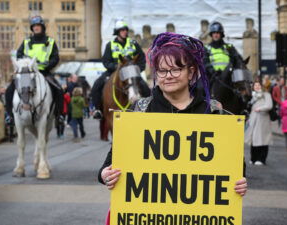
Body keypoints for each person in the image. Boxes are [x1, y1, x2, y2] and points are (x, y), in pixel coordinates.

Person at [98, 33, 247, 197]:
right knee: (98, 87)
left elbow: (236, 166)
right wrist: (105, 174)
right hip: (150, 212)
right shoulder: (139, 110)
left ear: (191, 73)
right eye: (161, 70)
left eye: (176, 69)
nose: (168, 76)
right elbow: (111, 161)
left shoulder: (214, 113)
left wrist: (239, 182)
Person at [5, 15, 63, 123]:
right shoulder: (26, 42)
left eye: (38, 26)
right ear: (32, 28)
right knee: (9, 90)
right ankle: (9, 116)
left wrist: (47, 65)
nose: (36, 28)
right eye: (34, 26)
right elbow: (19, 55)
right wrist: (24, 63)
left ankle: (59, 115)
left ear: (42, 27)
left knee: (59, 89)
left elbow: (55, 58)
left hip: (44, 72)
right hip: (27, 73)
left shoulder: (50, 42)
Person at [91, 20, 148, 119]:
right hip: (113, 72)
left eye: (126, 30)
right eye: (122, 30)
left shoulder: (133, 43)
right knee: (97, 85)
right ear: (117, 32)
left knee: (145, 87)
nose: (125, 32)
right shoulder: (110, 45)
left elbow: (142, 59)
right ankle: (97, 110)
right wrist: (115, 68)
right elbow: (106, 61)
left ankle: (148, 109)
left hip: (132, 73)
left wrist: (138, 69)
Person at [204, 21, 243, 85]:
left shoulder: (229, 47)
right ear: (211, 34)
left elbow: (238, 59)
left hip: (229, 77)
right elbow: (205, 62)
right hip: (212, 77)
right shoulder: (207, 48)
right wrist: (213, 72)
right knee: (200, 87)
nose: (216, 35)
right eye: (214, 33)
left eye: (218, 33)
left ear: (221, 34)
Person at [245, 80, 273, 165]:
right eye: (255, 85)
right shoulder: (252, 96)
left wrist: (260, 108)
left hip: (262, 120)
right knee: (253, 140)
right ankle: (253, 158)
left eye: (258, 85)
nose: (257, 87)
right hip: (253, 120)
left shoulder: (266, 95)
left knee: (263, 139)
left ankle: (261, 159)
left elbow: (269, 105)